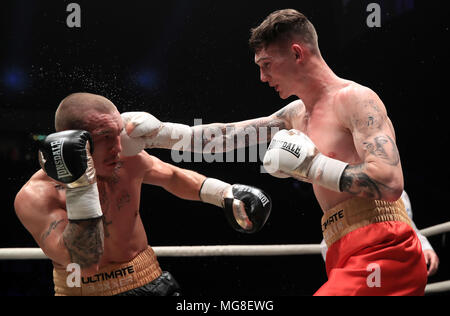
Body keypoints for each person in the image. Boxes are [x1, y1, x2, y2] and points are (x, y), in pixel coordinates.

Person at [119, 9, 428, 295]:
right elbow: (227, 137)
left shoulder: (356, 99)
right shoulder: (296, 114)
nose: (262, 78)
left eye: (266, 65)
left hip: (384, 247)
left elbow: (389, 182)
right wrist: (161, 134)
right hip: (341, 248)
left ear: (297, 53)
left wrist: (313, 167)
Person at [14, 93, 272, 296]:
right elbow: (84, 262)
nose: (118, 147)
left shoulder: (126, 159)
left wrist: (225, 193)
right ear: (74, 141)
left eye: (119, 134)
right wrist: (81, 185)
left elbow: (173, 177)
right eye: (106, 137)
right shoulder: (36, 196)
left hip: (149, 277)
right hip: (83, 290)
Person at [320, 191, 440, 277]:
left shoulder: (399, 191)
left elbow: (407, 224)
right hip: (365, 268)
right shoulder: (348, 189)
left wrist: (424, 247)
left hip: (401, 265)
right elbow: (332, 238)